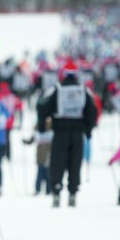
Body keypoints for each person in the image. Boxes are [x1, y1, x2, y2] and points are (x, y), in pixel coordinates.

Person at [37, 60, 98, 208]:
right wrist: (88, 129)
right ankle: (72, 193)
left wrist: (42, 127)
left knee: (57, 162)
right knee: (75, 163)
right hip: (77, 133)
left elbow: (43, 107)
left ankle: (56, 191)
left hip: (60, 132)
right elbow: (92, 111)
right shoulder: (83, 89)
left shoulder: (57, 89)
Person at [23, 117, 53, 196]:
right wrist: (25, 142)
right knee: (40, 173)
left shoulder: (52, 130)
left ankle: (49, 190)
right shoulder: (38, 129)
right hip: (40, 156)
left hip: (49, 156)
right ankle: (37, 189)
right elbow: (31, 140)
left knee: (48, 174)